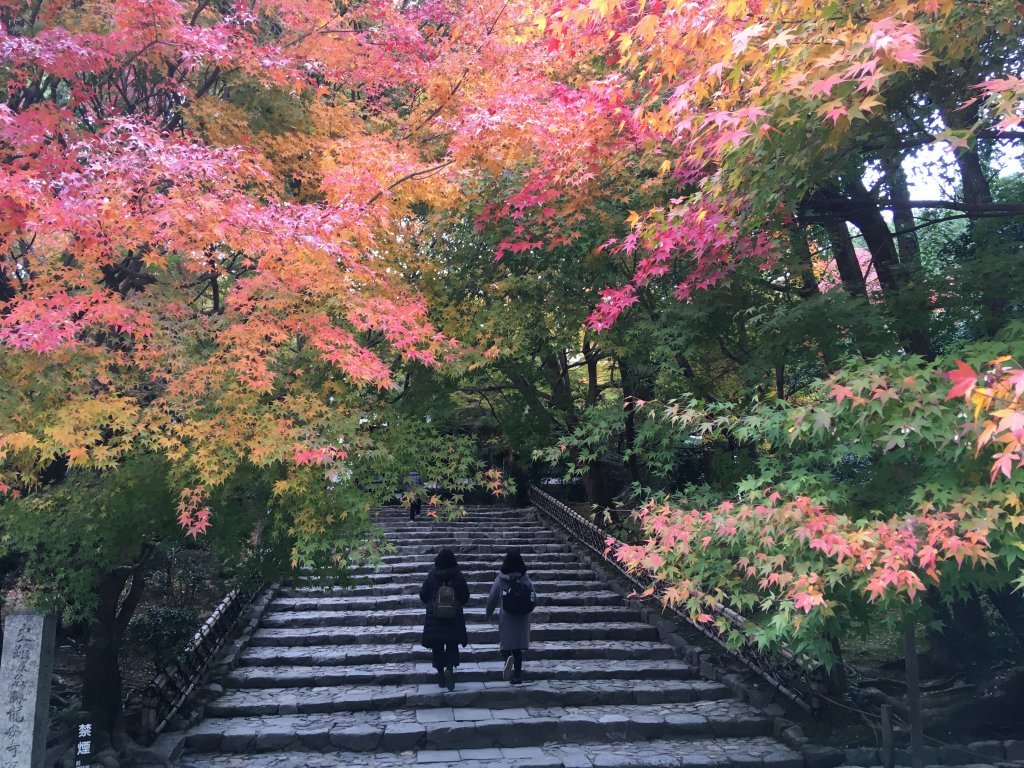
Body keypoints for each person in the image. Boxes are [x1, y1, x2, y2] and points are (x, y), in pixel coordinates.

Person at [419, 547, 470, 691]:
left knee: (437, 646)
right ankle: (449, 668)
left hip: (435, 617)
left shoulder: (432, 575)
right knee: (452, 644)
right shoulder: (458, 576)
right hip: (453, 617)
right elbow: (465, 597)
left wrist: (433, 601)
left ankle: (440, 674)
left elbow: (423, 596)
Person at [485, 549, 535, 685]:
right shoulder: (525, 578)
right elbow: (533, 595)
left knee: (505, 646)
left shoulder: (501, 579)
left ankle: (507, 659)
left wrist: (488, 613)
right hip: (522, 616)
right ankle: (517, 675)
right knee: (517, 648)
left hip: (507, 615)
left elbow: (492, 598)